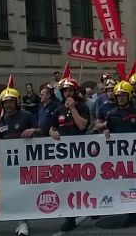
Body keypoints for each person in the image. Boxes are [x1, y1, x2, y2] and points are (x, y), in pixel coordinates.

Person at [103, 81, 136, 228]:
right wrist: (105, 133)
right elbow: (109, 131)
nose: (121, 98)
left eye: (124, 95)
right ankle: (130, 214)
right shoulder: (111, 114)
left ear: (129, 96)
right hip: (120, 158)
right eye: (118, 96)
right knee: (125, 186)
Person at [0, 87, 38, 236]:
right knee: (14, 192)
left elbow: (40, 131)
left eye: (11, 101)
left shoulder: (27, 116)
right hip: (10, 164)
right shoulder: (1, 121)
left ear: (17, 101)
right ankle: (20, 220)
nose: (8, 105)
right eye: (5, 102)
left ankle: (23, 221)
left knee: (23, 192)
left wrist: (34, 131)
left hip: (27, 161)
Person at [50, 78, 91, 232]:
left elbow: (82, 125)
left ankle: (92, 207)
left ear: (75, 92)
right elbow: (52, 128)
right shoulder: (57, 111)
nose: (67, 93)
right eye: (64, 91)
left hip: (82, 153)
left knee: (85, 183)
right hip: (65, 156)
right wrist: (53, 132)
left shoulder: (82, 107)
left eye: (70, 91)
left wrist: (73, 109)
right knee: (67, 186)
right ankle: (70, 218)